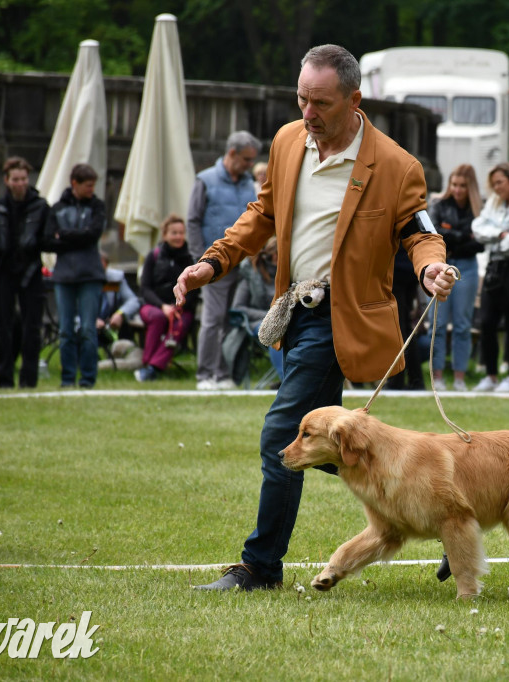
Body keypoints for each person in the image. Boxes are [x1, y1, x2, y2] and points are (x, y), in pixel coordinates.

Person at [178, 44, 455, 591]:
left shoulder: (397, 166)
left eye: (320, 102)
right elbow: (263, 213)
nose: (308, 113)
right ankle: (442, 511)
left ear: (354, 100)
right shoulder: (286, 141)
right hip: (291, 314)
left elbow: (419, 233)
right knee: (333, 446)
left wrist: (430, 270)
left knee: (283, 434)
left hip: (341, 319)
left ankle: (260, 568)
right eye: (301, 98)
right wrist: (213, 262)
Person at [187, 130, 262, 391]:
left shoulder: (246, 183)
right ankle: (205, 374)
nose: (250, 165)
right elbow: (193, 221)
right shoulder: (205, 180)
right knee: (212, 318)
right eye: (246, 159)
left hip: (241, 265)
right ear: (231, 153)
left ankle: (222, 373)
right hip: (214, 265)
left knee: (231, 318)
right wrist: (201, 259)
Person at [0, 156, 49, 389]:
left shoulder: (41, 206)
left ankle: (29, 380)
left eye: (23, 179)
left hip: (32, 271)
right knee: (3, 327)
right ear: (7, 180)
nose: (20, 183)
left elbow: (48, 237)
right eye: (15, 179)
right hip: (3, 271)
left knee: (32, 327)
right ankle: (3, 378)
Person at [44, 163, 107, 389]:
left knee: (89, 329)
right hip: (64, 277)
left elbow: (93, 235)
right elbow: (49, 240)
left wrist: (65, 236)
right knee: (65, 330)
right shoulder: (57, 207)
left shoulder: (97, 206)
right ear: (75, 184)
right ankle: (67, 379)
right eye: (88, 185)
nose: (92, 189)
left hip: (90, 275)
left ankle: (88, 379)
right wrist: (74, 237)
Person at [472, 162, 509, 393]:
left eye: (500, 182)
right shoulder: (494, 204)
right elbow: (477, 229)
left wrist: (496, 237)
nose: (496, 188)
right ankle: (491, 375)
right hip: (493, 268)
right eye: (493, 184)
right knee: (487, 322)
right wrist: (498, 233)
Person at [426, 164, 483, 391]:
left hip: (467, 266)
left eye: (463, 186)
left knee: (462, 324)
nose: (458, 190)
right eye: (454, 185)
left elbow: (480, 243)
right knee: (437, 324)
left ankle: (459, 377)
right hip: (443, 263)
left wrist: (452, 235)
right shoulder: (439, 205)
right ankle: (437, 376)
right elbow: (435, 232)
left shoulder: (478, 209)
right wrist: (462, 235)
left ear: (471, 188)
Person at [134, 215, 198, 382]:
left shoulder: (190, 258)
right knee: (158, 317)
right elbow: (145, 288)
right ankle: (146, 362)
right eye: (174, 233)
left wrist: (179, 306)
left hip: (181, 308)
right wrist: (162, 306)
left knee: (180, 323)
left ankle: (153, 368)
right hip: (154, 306)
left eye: (181, 233)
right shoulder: (153, 256)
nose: (178, 237)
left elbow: (194, 291)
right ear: (165, 235)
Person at [231, 236, 284, 381]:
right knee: (276, 331)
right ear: (275, 256)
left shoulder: (290, 274)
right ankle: (287, 382)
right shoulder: (252, 273)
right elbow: (238, 307)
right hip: (259, 322)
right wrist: (268, 315)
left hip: (286, 321)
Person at [387, 245, 424, 391]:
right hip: (409, 269)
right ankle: (416, 380)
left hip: (397, 271)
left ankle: (397, 381)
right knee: (405, 328)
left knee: (397, 328)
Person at [98, 250, 141, 343]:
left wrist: (120, 313)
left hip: (111, 323)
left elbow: (133, 301)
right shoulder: (81, 282)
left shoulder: (115, 278)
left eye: (103, 263)